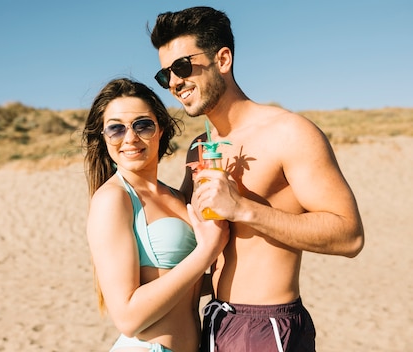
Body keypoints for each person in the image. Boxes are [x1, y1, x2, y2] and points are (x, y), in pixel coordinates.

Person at [149, 7, 365, 352]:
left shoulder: (289, 133)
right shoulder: (200, 147)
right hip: (214, 320)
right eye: (165, 75)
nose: (174, 82)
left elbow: (349, 235)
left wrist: (244, 209)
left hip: (267, 327)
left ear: (223, 59)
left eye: (182, 67)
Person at [83, 77, 229, 352]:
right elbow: (127, 318)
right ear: (103, 138)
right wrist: (207, 251)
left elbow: (186, 284)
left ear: (160, 129)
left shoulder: (175, 196)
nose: (130, 138)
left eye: (143, 125)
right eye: (116, 129)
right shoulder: (113, 199)